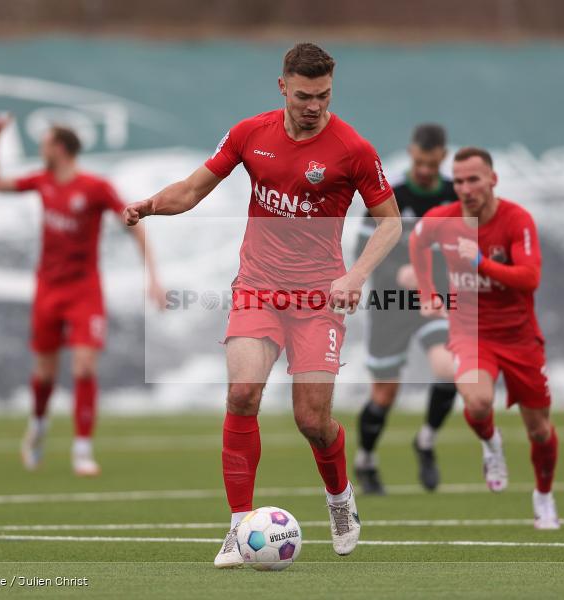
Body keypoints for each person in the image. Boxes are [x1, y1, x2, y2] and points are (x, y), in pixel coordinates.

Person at [122, 43, 401, 567]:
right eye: (303, 95)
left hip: (320, 298)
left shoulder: (353, 149)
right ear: (282, 88)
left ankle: (340, 500)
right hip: (258, 286)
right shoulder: (251, 133)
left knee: (312, 420)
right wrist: (152, 205)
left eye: (323, 95)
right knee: (243, 393)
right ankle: (237, 528)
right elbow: (192, 189)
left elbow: (390, 221)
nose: (313, 105)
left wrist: (357, 273)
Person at [0, 116, 164, 477]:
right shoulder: (42, 181)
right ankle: (37, 425)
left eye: (45, 143)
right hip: (48, 289)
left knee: (83, 366)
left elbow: (134, 225)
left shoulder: (96, 187)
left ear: (60, 149)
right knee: (45, 373)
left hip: (85, 290)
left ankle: (82, 450)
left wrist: (153, 277)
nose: (41, 150)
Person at [409, 147, 560, 530]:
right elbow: (417, 240)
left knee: (539, 429)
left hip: (520, 337)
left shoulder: (516, 220)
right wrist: (427, 291)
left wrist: (482, 262)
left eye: (473, 179)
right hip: (470, 332)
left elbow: (530, 278)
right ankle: (491, 444)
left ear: (492, 179)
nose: (465, 188)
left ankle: (543, 495)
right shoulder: (442, 219)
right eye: (458, 181)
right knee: (476, 402)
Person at [353, 123, 457, 495]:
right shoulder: (388, 195)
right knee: (384, 394)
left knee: (449, 368)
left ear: (442, 157)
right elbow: (362, 252)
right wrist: (398, 269)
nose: (426, 169)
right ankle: (365, 459)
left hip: (434, 302)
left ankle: (426, 442)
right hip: (391, 305)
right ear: (411, 153)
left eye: (433, 163)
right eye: (419, 161)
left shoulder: (453, 195)